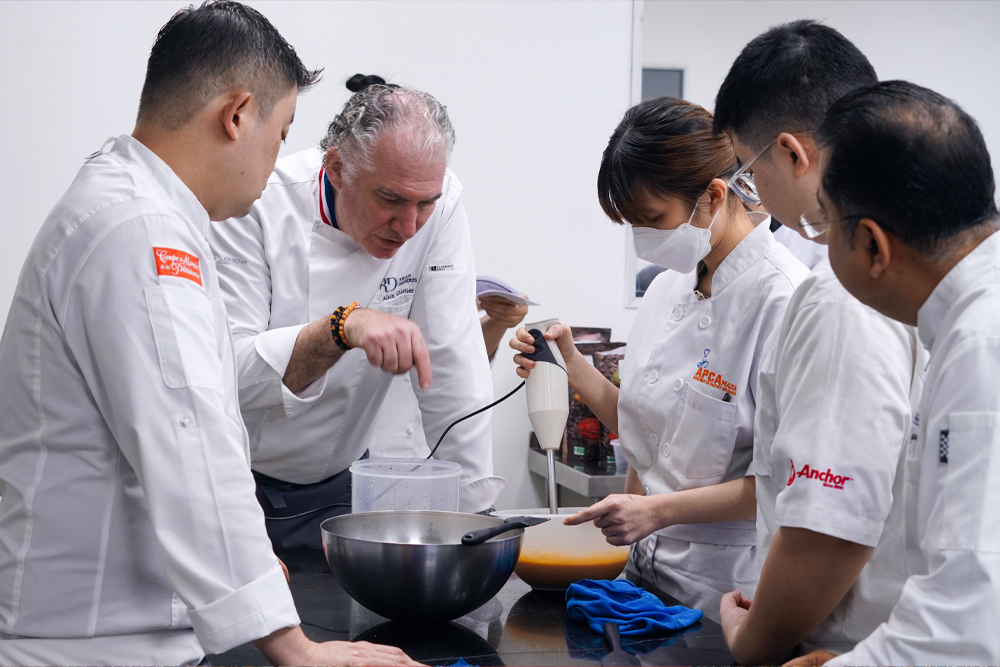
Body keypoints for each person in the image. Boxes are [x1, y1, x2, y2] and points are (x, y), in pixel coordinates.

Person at [0, 3, 418, 666]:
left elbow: (209, 392)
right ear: (237, 115)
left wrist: (252, 567)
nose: (277, 157)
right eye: (281, 134)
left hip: (111, 625)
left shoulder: (126, 207)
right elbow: (191, 440)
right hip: (93, 643)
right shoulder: (142, 231)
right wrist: (297, 649)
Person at [512, 96, 808, 621]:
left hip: (725, 591)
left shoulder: (783, 302)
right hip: (644, 574)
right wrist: (571, 365)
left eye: (652, 219)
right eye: (632, 223)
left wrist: (654, 512)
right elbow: (643, 423)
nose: (643, 239)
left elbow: (781, 481)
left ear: (714, 197)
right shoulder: (666, 290)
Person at [208, 75, 503, 550]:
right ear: (337, 167)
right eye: (390, 200)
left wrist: (474, 516)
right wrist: (342, 327)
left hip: (344, 480)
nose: (408, 227)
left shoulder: (443, 203)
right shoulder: (257, 204)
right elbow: (232, 376)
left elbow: (453, 362)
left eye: (424, 204)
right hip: (240, 482)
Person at [711, 21, 925, 664]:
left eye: (745, 172)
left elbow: (831, 526)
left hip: (837, 643)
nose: (751, 196)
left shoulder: (846, 291)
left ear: (792, 154)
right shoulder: (912, 260)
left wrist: (753, 644)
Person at [788, 81, 1000, 666]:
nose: (821, 240)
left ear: (874, 247)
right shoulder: (968, 322)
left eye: (825, 222)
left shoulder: (982, 344)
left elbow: (969, 627)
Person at [369, 289, 529, 458]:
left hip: (435, 455)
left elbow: (466, 361)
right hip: (373, 450)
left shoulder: (452, 276)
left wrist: (499, 319)